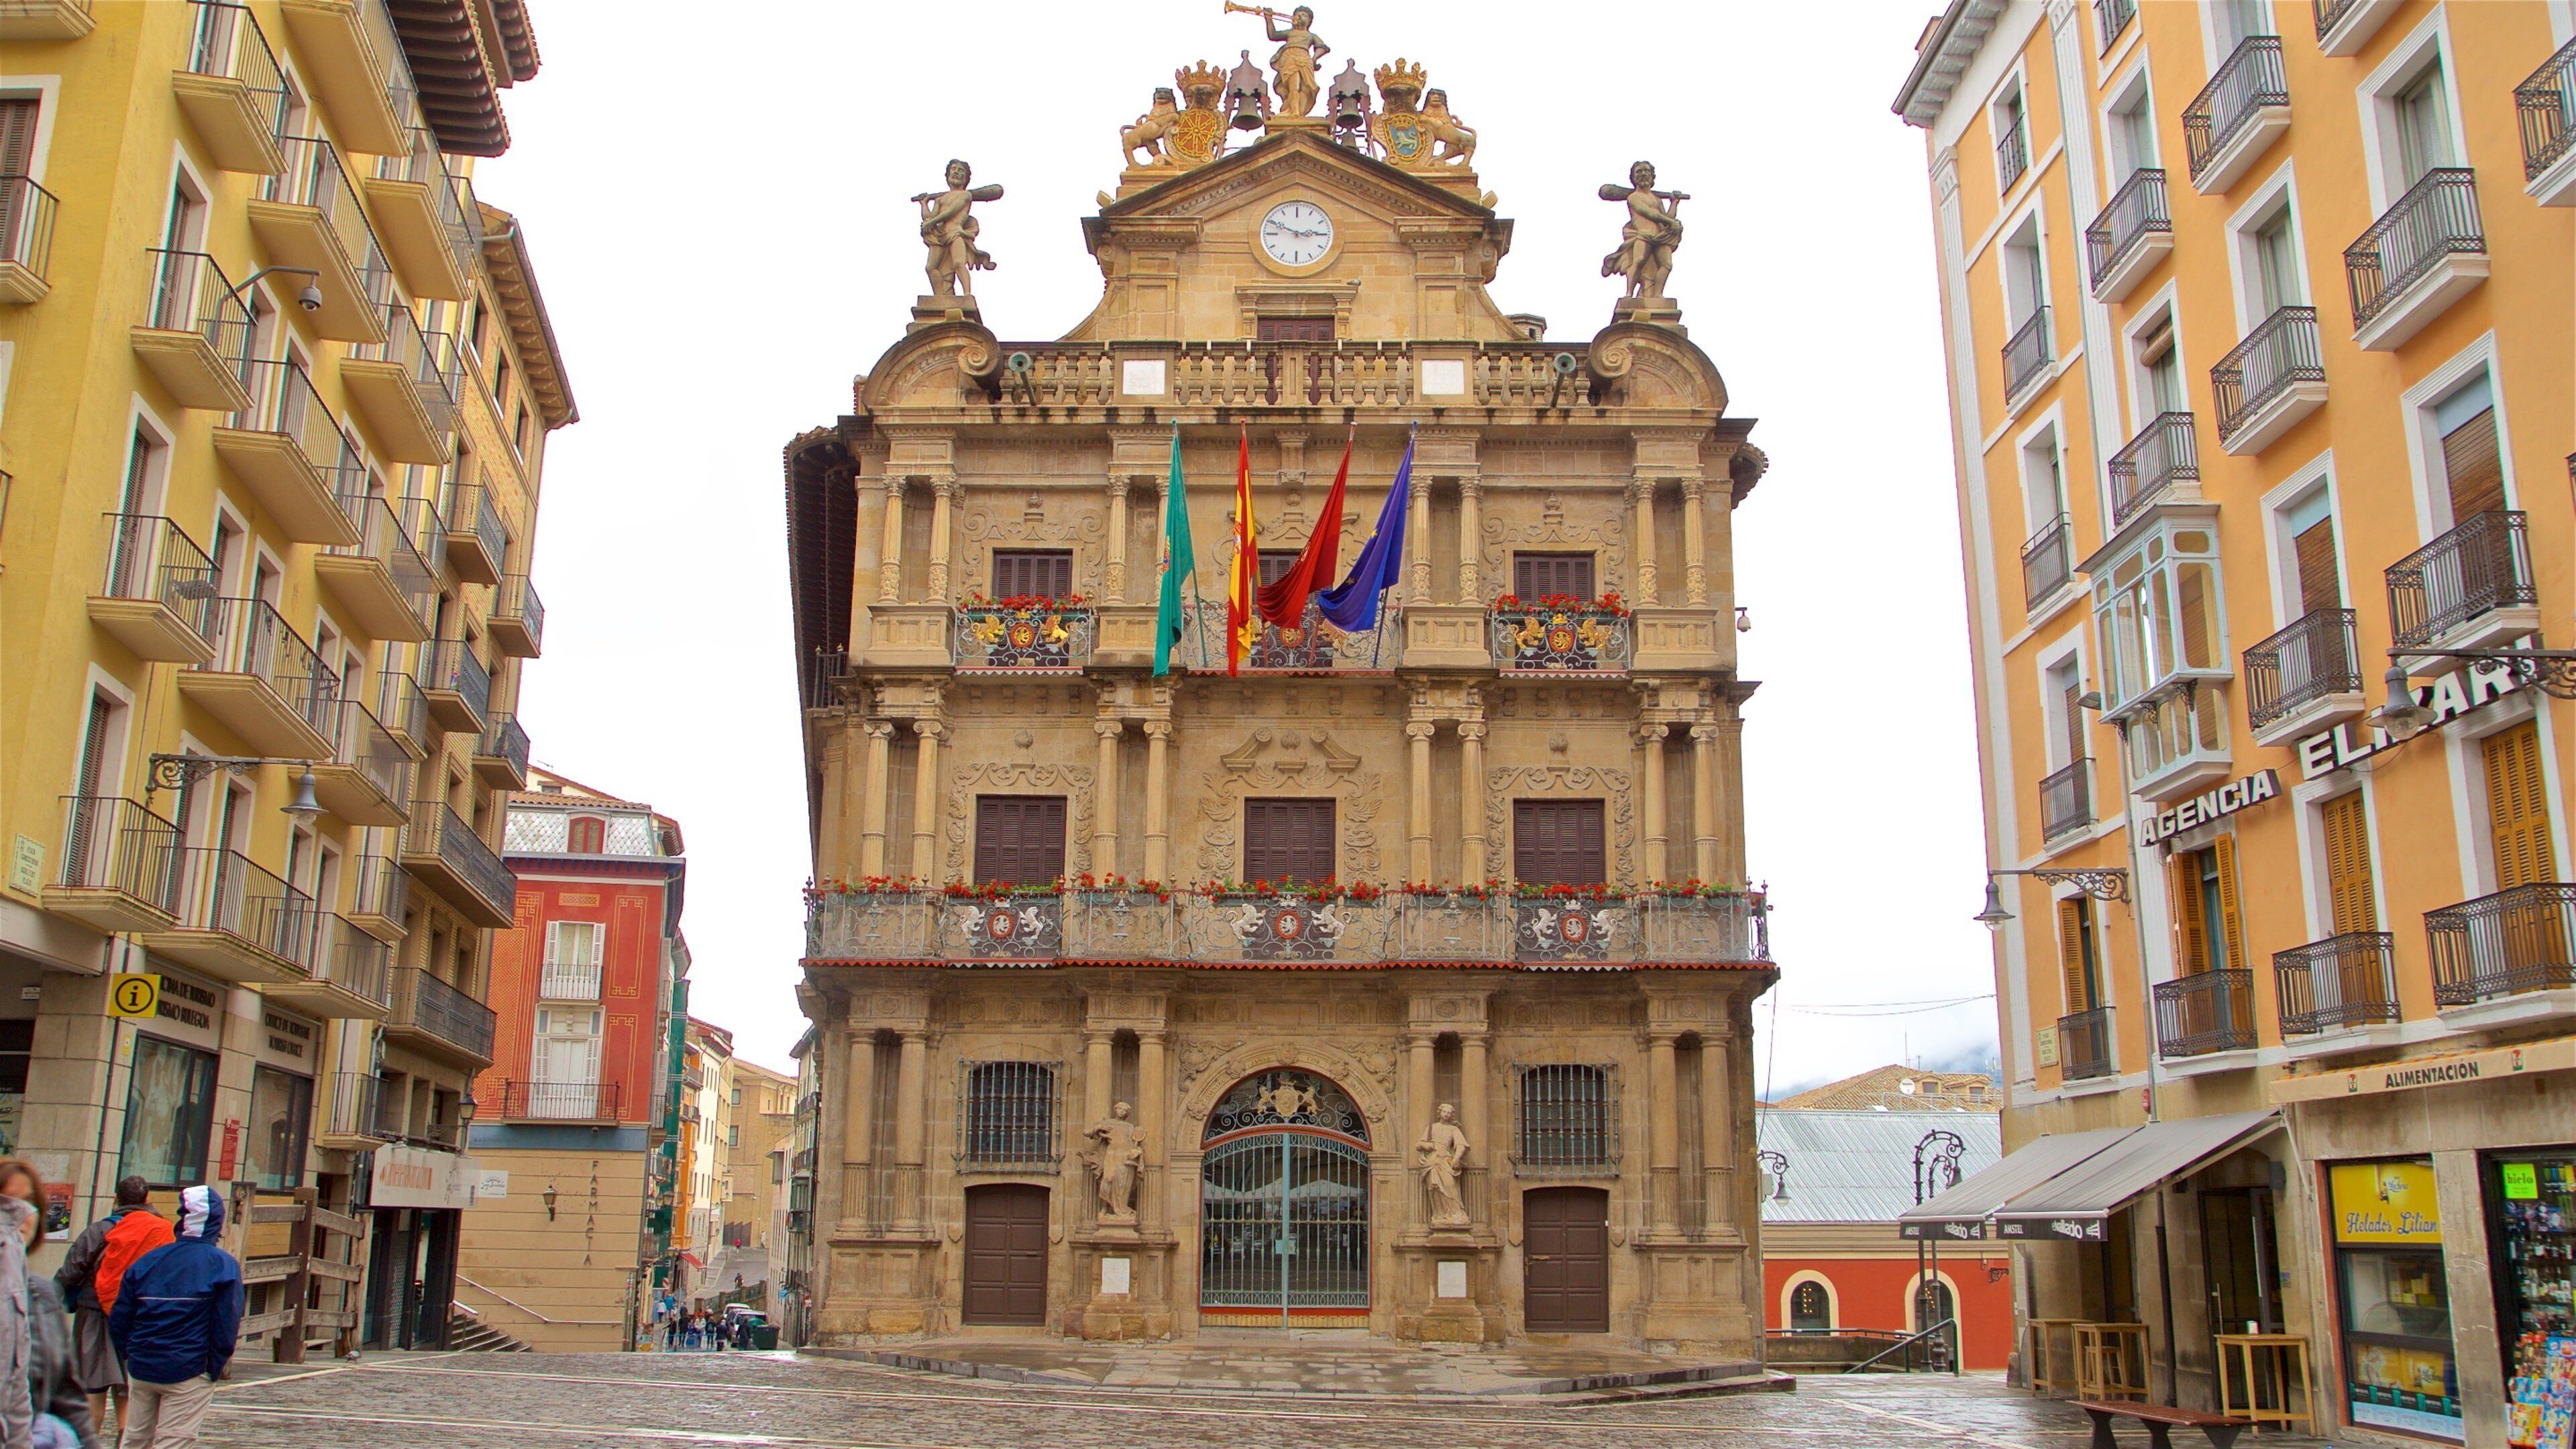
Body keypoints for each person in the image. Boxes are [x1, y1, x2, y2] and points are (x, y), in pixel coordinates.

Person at [106, 1186, 241, 1449]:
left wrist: (130, 1354)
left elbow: (120, 1318)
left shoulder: (149, 1261)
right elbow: (227, 1324)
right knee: (174, 1442)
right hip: (190, 1367)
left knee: (135, 1439)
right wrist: (213, 1366)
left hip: (142, 1364)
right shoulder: (222, 1265)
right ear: (217, 1223)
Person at [54, 1178, 167, 1439]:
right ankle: (125, 1441)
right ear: (147, 1197)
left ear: (116, 1198)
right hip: (138, 1317)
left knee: (92, 1387)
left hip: (93, 1312)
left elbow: (71, 1270)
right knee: (127, 1387)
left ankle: (86, 1443)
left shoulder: (98, 1230)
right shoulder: (161, 1230)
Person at [1, 1167, 91, 1449]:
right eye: (6, 1202)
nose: (19, 1215)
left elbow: (66, 1395)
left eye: (28, 1202)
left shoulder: (41, 1294)